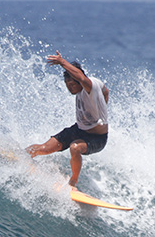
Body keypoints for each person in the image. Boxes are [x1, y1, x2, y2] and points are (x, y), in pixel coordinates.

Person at [26, 52, 110, 189]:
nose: (69, 87)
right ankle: (20, 156)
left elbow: (84, 80)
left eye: (72, 84)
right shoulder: (94, 85)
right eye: (66, 84)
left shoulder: (90, 87)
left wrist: (62, 62)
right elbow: (106, 91)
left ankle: (73, 182)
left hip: (97, 138)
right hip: (78, 129)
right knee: (43, 149)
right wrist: (103, 106)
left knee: (75, 148)